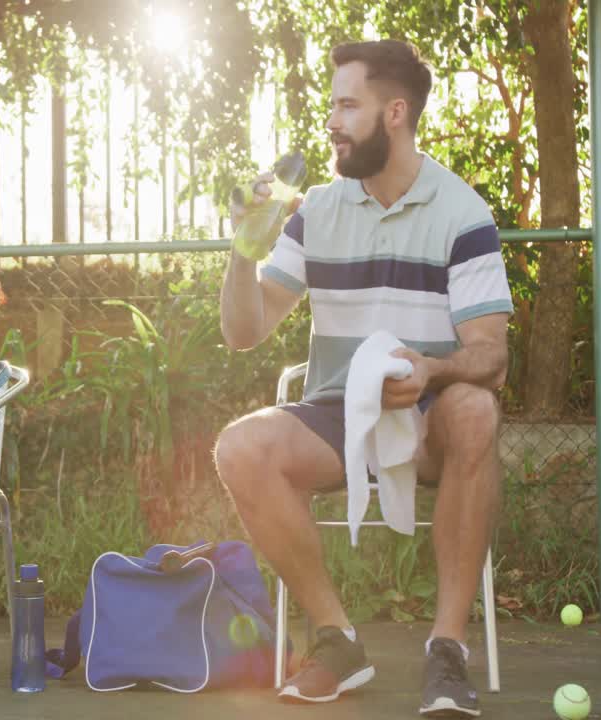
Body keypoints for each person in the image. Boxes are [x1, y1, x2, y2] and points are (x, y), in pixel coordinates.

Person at [215, 39, 513, 717]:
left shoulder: (462, 214)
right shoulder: (315, 209)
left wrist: (432, 368)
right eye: (332, 105)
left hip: (428, 414)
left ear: (395, 113)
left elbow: (491, 356)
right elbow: (243, 333)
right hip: (335, 415)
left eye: (348, 106)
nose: (332, 121)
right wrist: (242, 254)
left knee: (475, 410)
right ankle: (337, 637)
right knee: (239, 445)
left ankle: (447, 650)